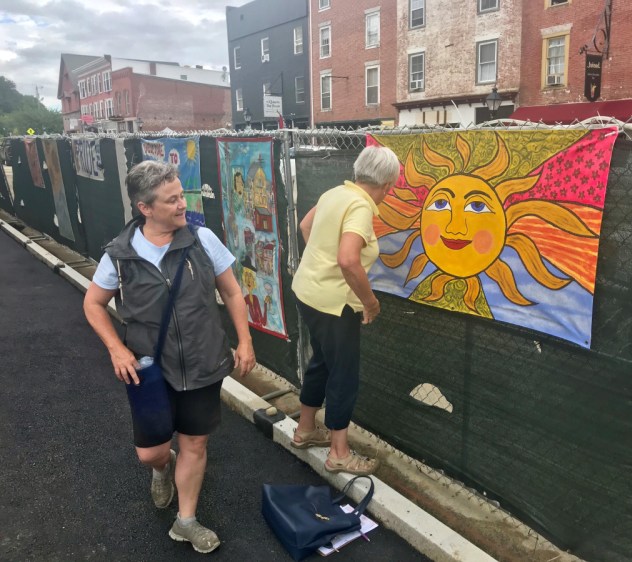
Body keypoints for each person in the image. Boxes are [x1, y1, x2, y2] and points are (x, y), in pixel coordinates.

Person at [83, 160, 256, 554]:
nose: (183, 205)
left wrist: (244, 341)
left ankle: (186, 520)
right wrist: (117, 348)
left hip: (202, 362)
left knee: (195, 443)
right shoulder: (121, 255)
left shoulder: (201, 239)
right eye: (172, 200)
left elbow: (231, 292)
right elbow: (93, 304)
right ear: (145, 208)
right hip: (150, 371)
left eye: (182, 195)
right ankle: (163, 468)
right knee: (151, 452)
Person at [291, 145, 400, 476]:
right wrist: (370, 302)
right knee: (343, 375)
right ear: (386, 185)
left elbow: (305, 225)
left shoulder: (335, 193)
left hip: (308, 293)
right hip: (336, 306)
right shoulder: (360, 207)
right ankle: (339, 453)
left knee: (322, 361)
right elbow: (349, 258)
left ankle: (306, 430)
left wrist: (319, 264)